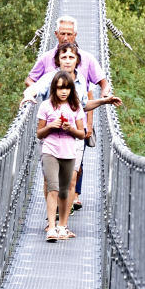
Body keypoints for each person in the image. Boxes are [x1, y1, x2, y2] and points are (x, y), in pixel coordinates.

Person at [49, 42, 121, 211]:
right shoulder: (50, 79)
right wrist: (29, 94)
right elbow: (36, 89)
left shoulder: (81, 82)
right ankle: (53, 220)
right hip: (54, 136)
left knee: (71, 179)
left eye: (71, 57)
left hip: (75, 135)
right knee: (53, 181)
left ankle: (63, 221)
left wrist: (104, 101)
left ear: (77, 61)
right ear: (58, 60)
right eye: (64, 57)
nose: (67, 61)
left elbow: (83, 105)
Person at [37, 71, 86, 241]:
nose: (63, 92)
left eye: (66, 88)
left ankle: (62, 226)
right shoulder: (46, 106)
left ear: (72, 90)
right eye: (59, 88)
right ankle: (51, 228)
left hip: (68, 152)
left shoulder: (76, 107)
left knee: (64, 193)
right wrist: (51, 126)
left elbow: (81, 133)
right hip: (50, 151)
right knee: (53, 188)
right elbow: (39, 133)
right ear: (54, 89)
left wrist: (71, 129)